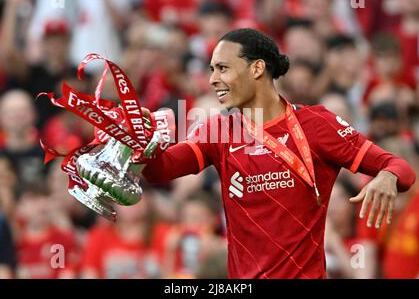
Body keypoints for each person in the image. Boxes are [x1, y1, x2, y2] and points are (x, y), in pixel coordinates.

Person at [81, 28, 416, 279]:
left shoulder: (315, 124)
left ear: (257, 69)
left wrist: (386, 176)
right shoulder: (218, 130)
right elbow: (161, 171)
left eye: (222, 68)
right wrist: (137, 143)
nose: (212, 80)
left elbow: (401, 167)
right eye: (211, 69)